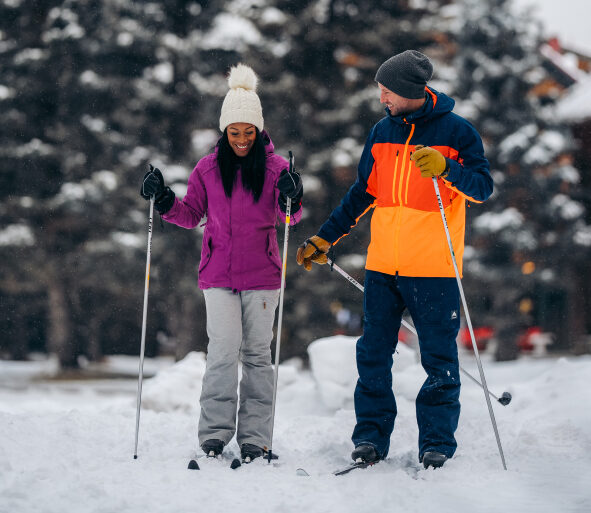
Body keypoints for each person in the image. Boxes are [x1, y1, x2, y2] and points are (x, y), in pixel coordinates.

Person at [296, 50, 492, 469]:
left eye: (387, 91)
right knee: (372, 355)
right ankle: (369, 438)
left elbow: (482, 188)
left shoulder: (458, 132)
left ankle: (436, 443)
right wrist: (324, 238)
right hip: (383, 264)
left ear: (408, 91)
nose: (381, 97)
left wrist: (446, 169)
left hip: (435, 267)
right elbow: (362, 193)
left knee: (439, 360)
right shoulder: (382, 131)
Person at [140, 63, 303, 462]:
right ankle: (214, 434)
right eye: (235, 132)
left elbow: (291, 218)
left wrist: (292, 198)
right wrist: (163, 200)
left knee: (258, 357)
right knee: (222, 352)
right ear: (224, 131)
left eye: (249, 132)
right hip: (219, 275)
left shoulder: (278, 169)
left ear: (259, 129)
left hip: (263, 276)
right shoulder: (208, 169)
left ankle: (255, 437)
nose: (243, 139)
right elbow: (191, 213)